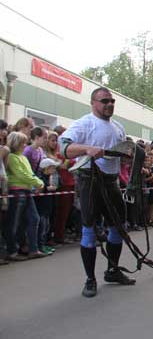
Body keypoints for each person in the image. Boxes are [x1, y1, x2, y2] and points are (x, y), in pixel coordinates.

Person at [59, 87, 135, 298]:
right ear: (93, 103)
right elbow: (63, 147)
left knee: (118, 227)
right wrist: (86, 149)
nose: (109, 104)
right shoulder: (84, 123)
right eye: (104, 101)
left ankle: (112, 270)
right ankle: (90, 279)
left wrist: (128, 156)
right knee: (89, 229)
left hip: (111, 182)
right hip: (89, 181)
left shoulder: (118, 127)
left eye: (112, 101)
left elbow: (123, 153)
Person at [3, 132, 46, 261]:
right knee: (13, 223)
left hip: (26, 191)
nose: (25, 144)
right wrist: (38, 183)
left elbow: (30, 173)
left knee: (34, 219)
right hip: (17, 192)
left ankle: (33, 249)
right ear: (15, 142)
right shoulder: (11, 157)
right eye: (22, 142)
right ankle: (12, 251)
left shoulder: (22, 157)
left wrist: (37, 183)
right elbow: (21, 174)